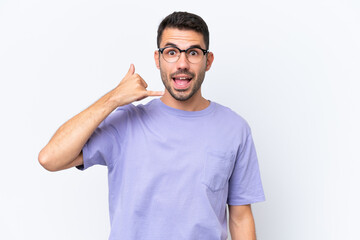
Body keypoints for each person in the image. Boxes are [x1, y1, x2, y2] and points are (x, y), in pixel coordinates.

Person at [39, 11, 265, 240]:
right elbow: (50, 158)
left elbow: (240, 217)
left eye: (194, 53)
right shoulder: (126, 122)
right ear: (158, 59)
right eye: (172, 52)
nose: (182, 64)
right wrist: (114, 98)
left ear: (209, 61)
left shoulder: (235, 129)